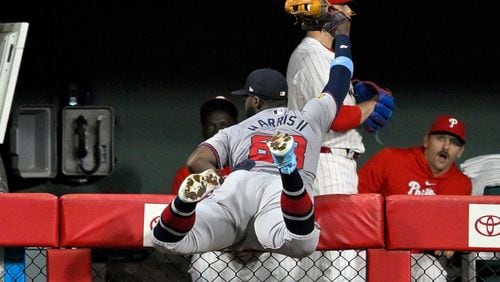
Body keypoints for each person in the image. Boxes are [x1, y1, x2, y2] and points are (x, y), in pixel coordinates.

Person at [152, 16, 353, 265]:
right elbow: (339, 80)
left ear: (255, 101)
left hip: (238, 186)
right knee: (300, 242)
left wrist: (217, 178)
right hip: (280, 194)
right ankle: (289, 169)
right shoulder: (311, 116)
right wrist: (342, 36)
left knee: (166, 241)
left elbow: (196, 160)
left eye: (246, 98)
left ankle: (183, 204)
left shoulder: (236, 129)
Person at [285, 1, 394, 280]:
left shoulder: (325, 55)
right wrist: (372, 104)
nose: (347, 12)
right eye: (339, 6)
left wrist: (355, 95)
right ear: (323, 12)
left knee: (325, 264)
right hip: (326, 163)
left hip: (332, 162)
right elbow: (336, 118)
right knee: (341, 264)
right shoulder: (311, 55)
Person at [358, 114, 472, 282]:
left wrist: (452, 240)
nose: (446, 147)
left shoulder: (461, 184)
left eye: (454, 143)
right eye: (440, 138)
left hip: (416, 257)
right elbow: (356, 202)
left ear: (460, 151)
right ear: (426, 140)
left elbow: (456, 227)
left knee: (434, 273)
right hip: (372, 251)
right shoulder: (390, 159)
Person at [170, 96, 238, 195]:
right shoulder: (187, 173)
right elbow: (177, 209)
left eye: (224, 126)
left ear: (237, 128)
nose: (218, 132)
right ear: (203, 131)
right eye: (211, 126)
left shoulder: (249, 166)